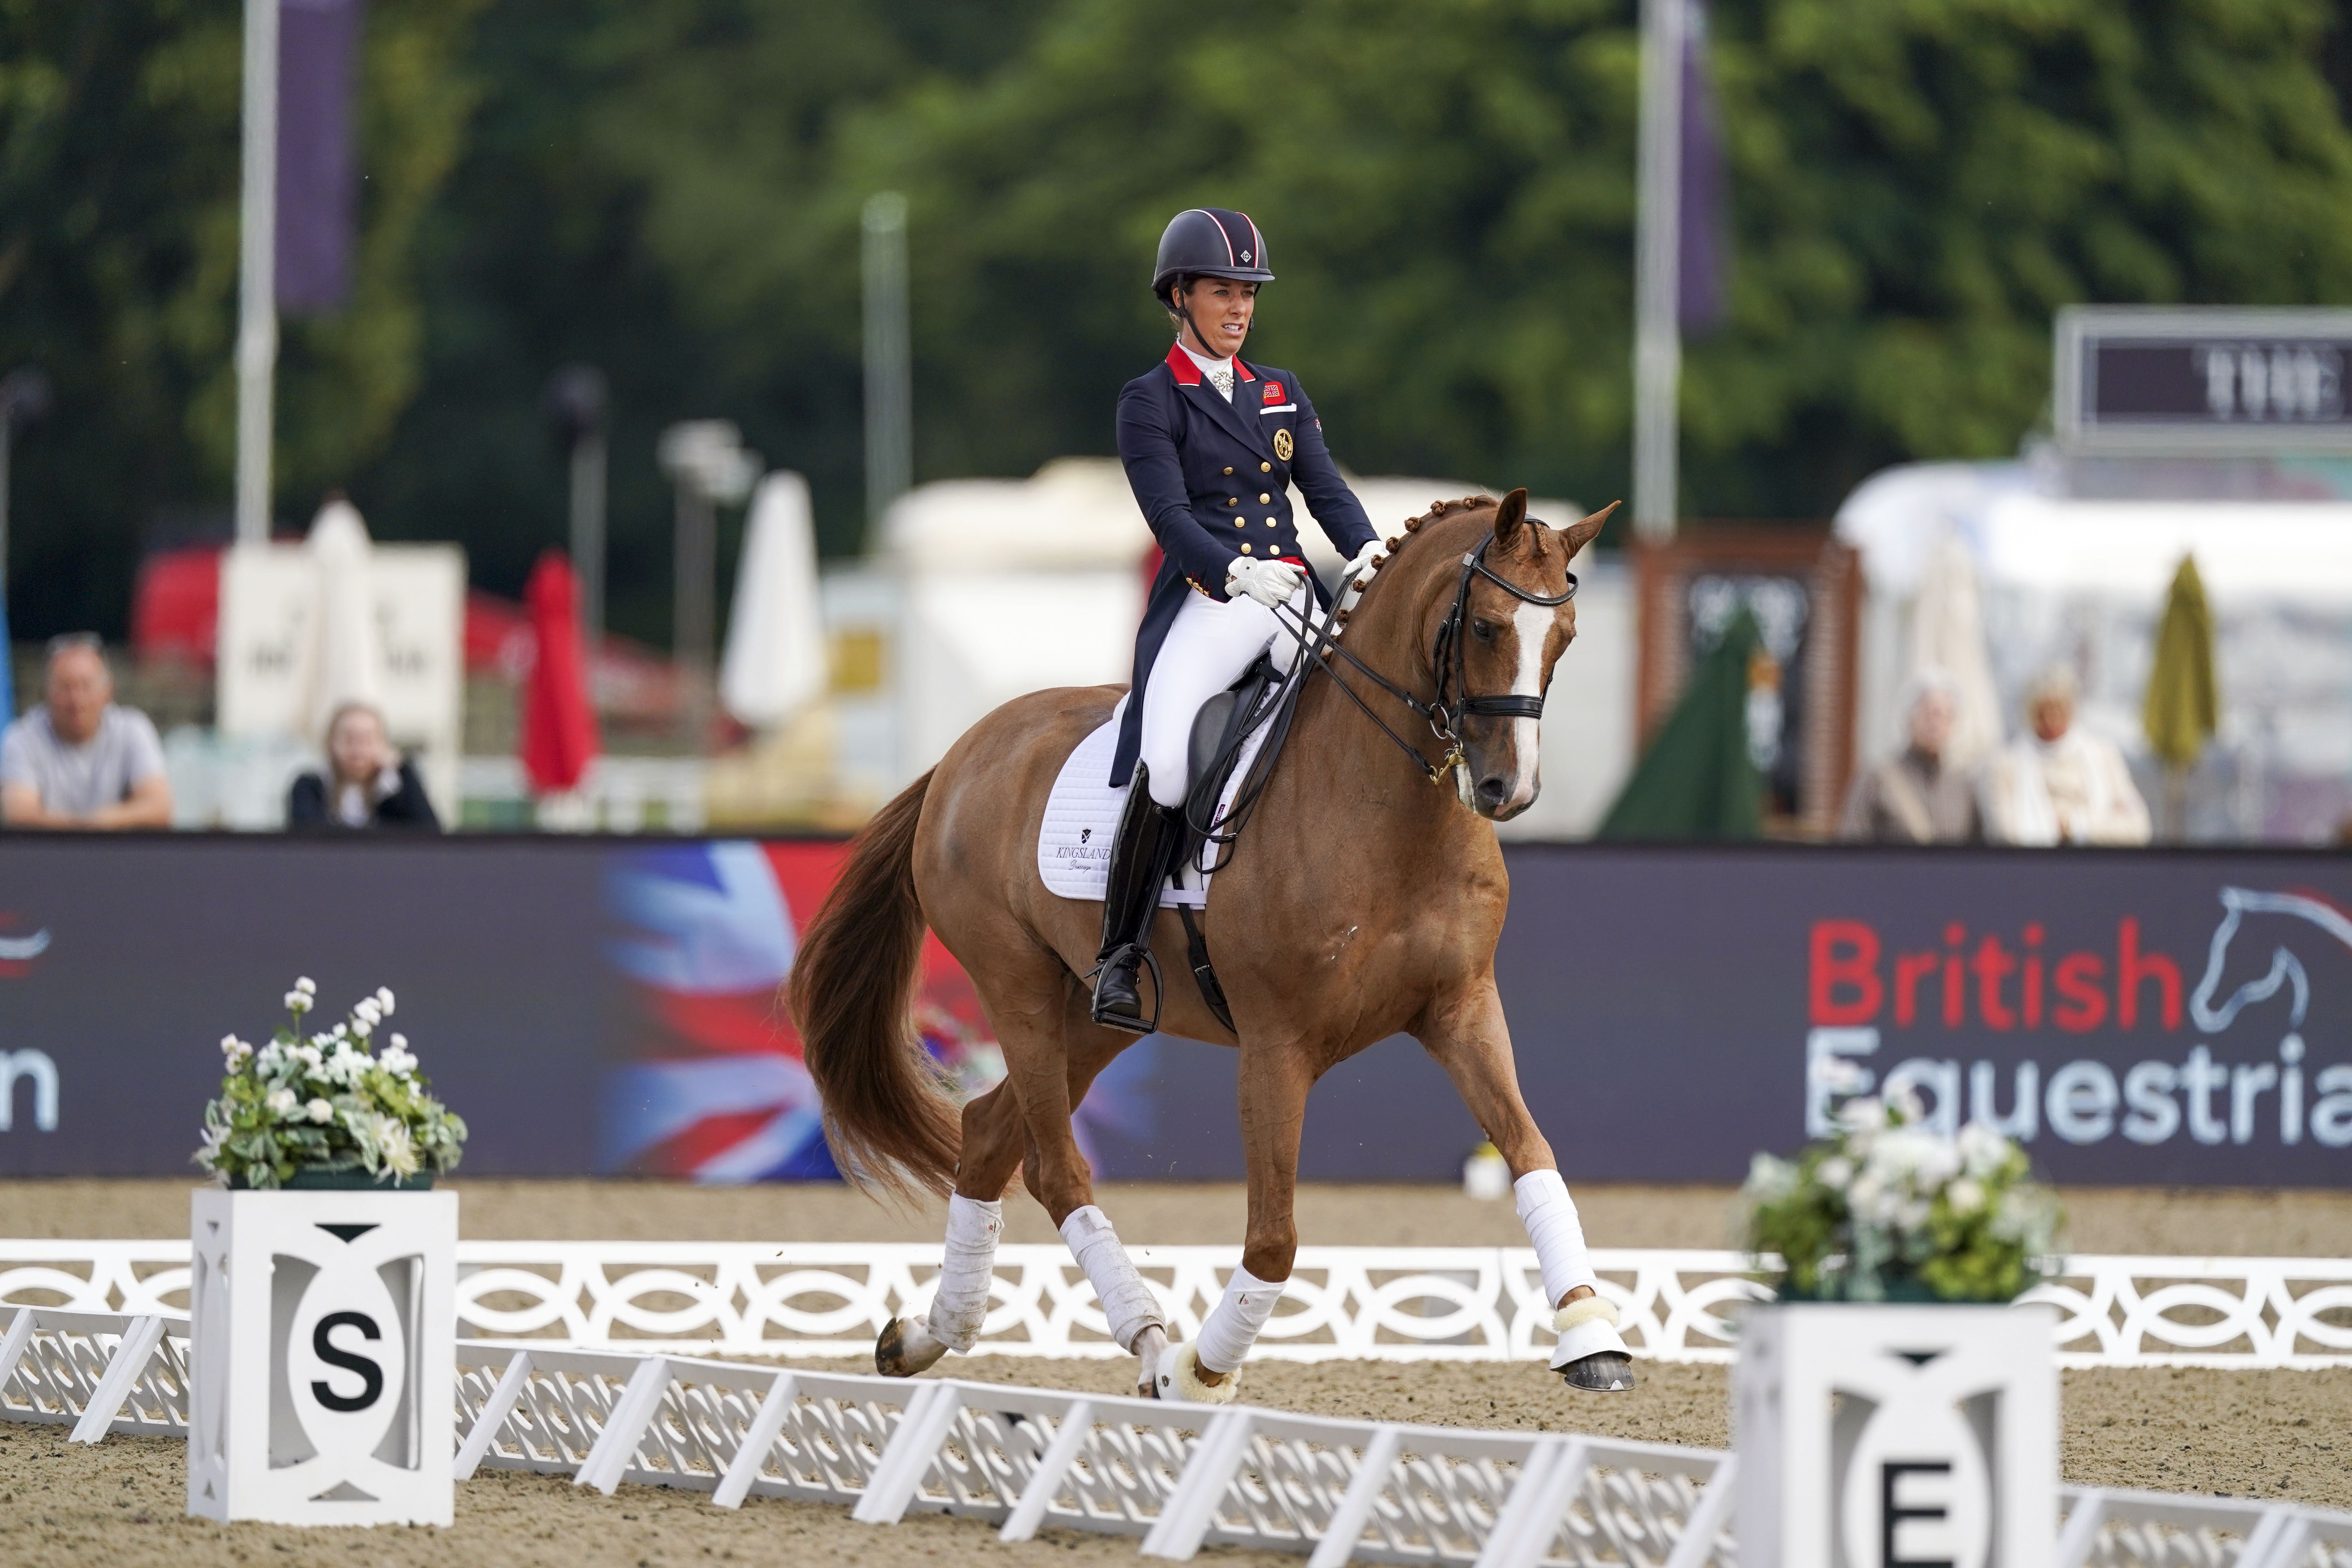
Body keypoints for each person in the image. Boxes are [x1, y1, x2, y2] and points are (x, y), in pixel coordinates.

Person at [1096, 208, 1382, 1031]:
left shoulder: (1280, 392)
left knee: (1374, 714)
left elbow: (1323, 491)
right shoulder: (1150, 400)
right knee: (1170, 759)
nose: (1240, 309)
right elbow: (1168, 514)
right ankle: (1121, 953)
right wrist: (1229, 570)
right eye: (1224, 293)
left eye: (1248, 295)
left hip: (1292, 594)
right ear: (1180, 296)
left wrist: (1366, 552)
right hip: (1213, 597)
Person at [0, 633, 172, 829]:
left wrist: (97, 824)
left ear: (108, 691)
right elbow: (20, 815)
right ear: (46, 692)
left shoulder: (134, 730)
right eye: (66, 688)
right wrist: (91, 829)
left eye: (86, 686)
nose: (76, 701)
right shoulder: (21, 738)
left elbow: (160, 808)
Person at [1980, 666, 2151, 845]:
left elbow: (2137, 828)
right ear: (2031, 713)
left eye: (2059, 710)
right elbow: (2007, 834)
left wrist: (2075, 827)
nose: (2051, 720)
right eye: (2044, 712)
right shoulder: (2005, 766)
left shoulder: (2104, 756)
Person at [1838, 670, 1982, 843]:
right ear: (1909, 718)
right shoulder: (1877, 779)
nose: (1935, 723)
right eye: (1928, 713)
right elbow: (1850, 843)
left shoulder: (1963, 786)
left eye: (1944, 715)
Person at [288, 701, 440, 830]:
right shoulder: (310, 788)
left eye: (367, 740)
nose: (357, 749)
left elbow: (430, 834)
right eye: (348, 739)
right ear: (330, 743)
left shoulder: (396, 790)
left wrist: (404, 771)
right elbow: (308, 834)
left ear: (383, 745)